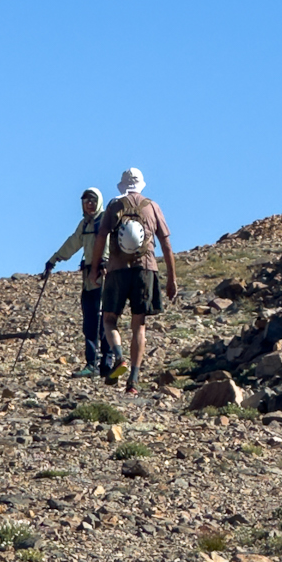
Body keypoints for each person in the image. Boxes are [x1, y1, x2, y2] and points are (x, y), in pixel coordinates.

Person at [95, 166, 177, 392]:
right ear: (141, 185)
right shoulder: (152, 206)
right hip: (146, 270)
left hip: (117, 270)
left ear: (122, 185)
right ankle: (133, 379)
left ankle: (118, 356)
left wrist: (94, 268)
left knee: (109, 319)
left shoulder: (113, 206)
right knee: (139, 324)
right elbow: (166, 245)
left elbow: (101, 237)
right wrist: (171, 278)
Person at [44, 186, 108, 375]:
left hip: (103, 277)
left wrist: (104, 262)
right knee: (90, 319)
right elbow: (73, 243)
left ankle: (105, 362)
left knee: (103, 319)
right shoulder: (85, 225)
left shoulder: (106, 221)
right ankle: (93, 363)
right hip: (89, 277)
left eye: (93, 200)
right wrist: (54, 259)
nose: (89, 204)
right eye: (86, 200)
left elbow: (110, 242)